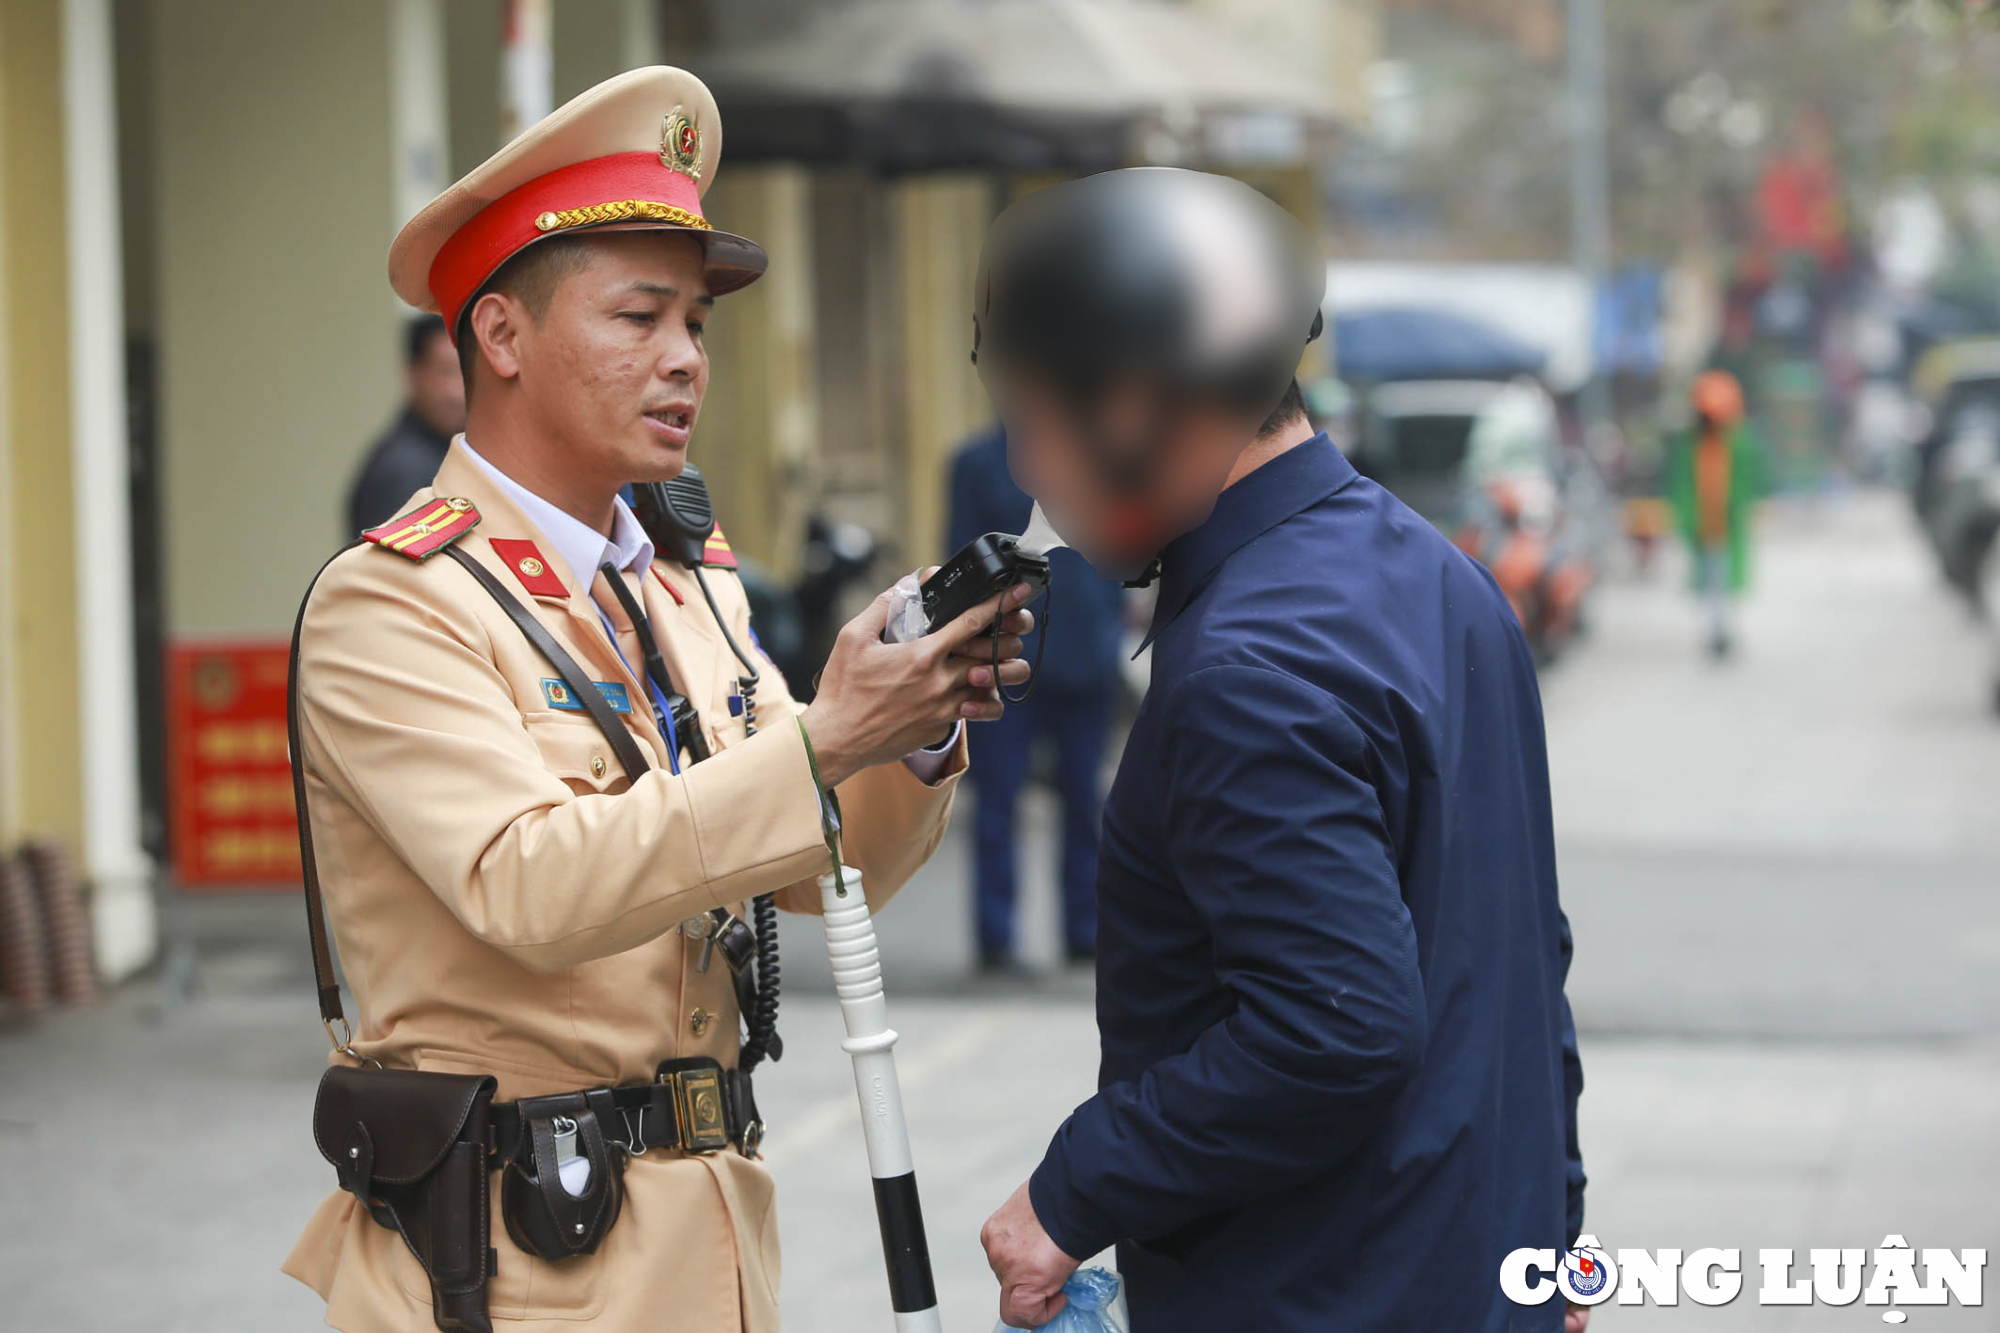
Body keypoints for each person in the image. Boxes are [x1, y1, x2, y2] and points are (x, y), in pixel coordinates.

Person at [281, 68, 1035, 1333]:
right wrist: (824, 736)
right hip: (511, 1265)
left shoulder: (683, 578)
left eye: (695, 323)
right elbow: (528, 885)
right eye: (639, 318)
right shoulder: (394, 604)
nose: (684, 358)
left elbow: (810, 871)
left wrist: (909, 729)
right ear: (501, 337)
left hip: (706, 1239)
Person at [970, 168, 1587, 1333]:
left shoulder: (1245, 666)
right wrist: (1553, 1247)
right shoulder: (1442, 581)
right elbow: (1523, 957)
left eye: (1033, 422)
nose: (1025, 473)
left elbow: (1336, 1027)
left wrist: (1066, 1190)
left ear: (1134, 406)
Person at [948, 422, 1125, 972]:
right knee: (997, 803)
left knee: (1084, 802)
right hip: (1004, 659)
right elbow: (959, 563)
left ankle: (1084, 932)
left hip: (1084, 653)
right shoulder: (977, 462)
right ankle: (996, 938)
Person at [1667, 368, 1766, 658]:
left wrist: (1746, 510)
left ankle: (1721, 631)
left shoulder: (1738, 442)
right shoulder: (1689, 445)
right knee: (1708, 583)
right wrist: (1685, 519)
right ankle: (1712, 632)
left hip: (1726, 526)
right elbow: (1681, 486)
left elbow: (1749, 482)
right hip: (1702, 526)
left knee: (1723, 582)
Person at [345, 313, 466, 534]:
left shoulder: (449, 453)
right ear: (413, 372)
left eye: (464, 372)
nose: (456, 392)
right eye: (445, 371)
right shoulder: (402, 471)